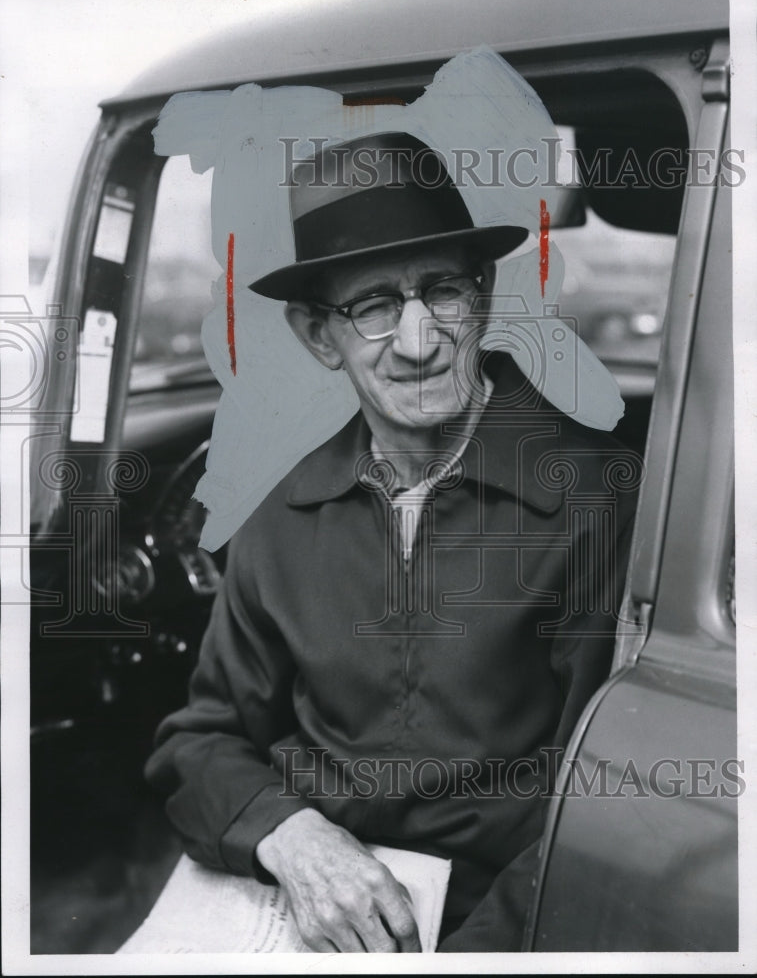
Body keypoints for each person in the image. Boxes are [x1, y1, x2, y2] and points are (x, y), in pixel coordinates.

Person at [145, 131, 638, 953]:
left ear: (480, 296)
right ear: (316, 335)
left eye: (440, 291)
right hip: (304, 907)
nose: (417, 342)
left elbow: (604, 804)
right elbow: (200, 741)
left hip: (508, 920)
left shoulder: (593, 499)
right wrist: (289, 835)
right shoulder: (279, 510)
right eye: (371, 307)